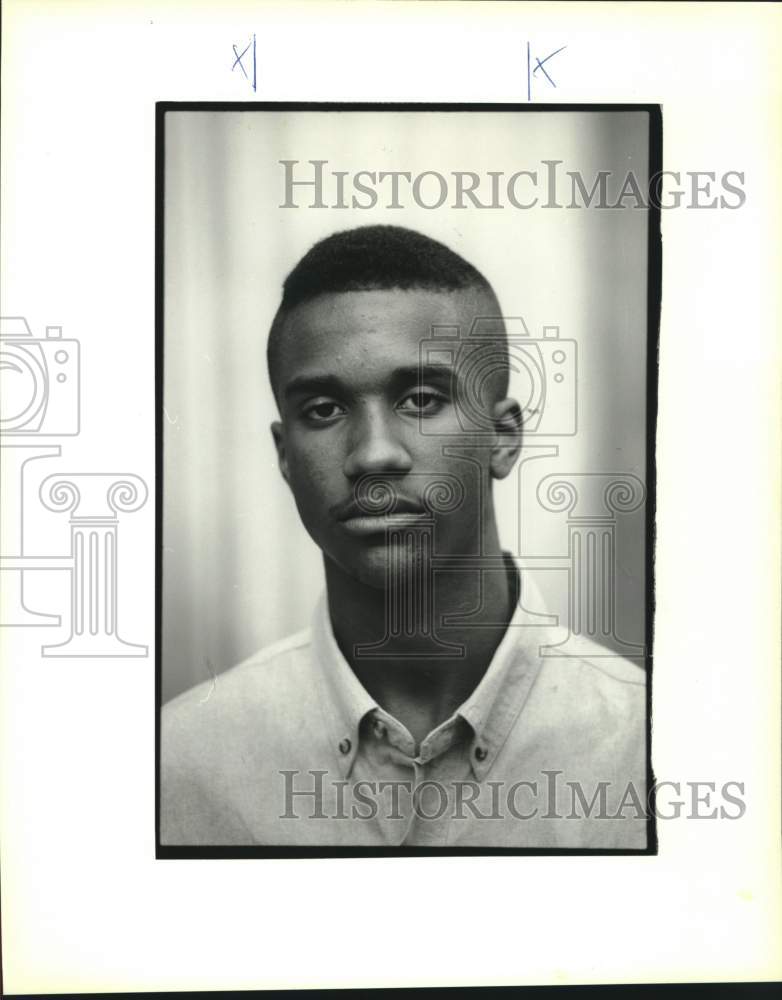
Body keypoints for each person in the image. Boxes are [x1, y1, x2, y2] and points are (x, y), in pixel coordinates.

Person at [161, 224, 648, 848]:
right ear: (284, 456)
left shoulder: (647, 744)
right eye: (323, 410)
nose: (373, 454)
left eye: (420, 399)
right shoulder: (182, 763)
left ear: (503, 437)